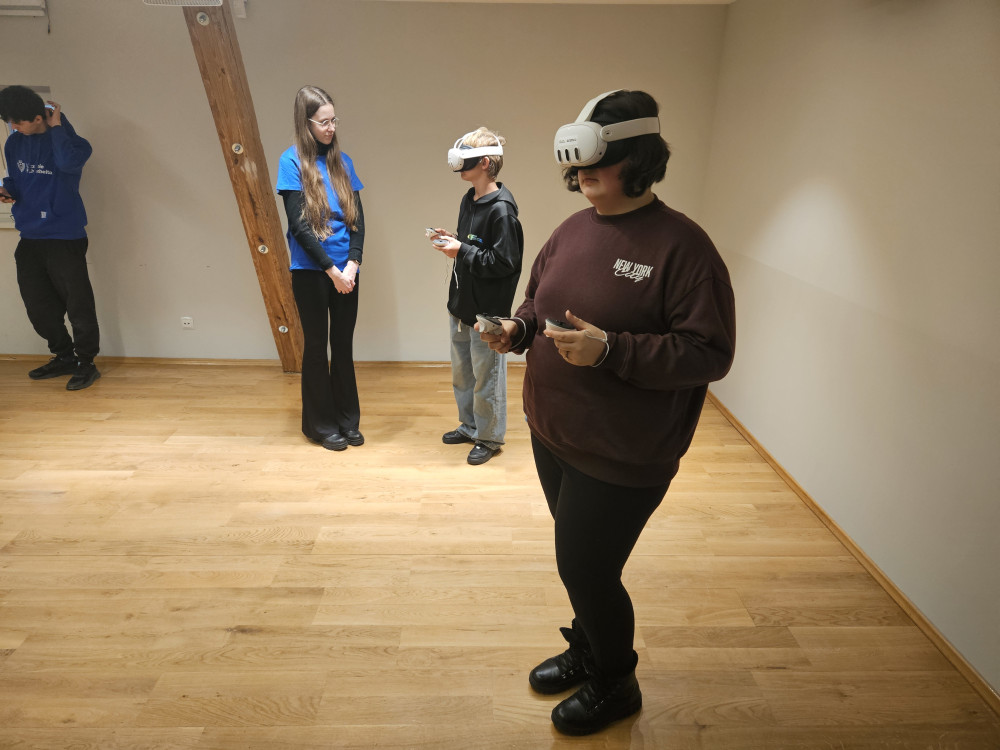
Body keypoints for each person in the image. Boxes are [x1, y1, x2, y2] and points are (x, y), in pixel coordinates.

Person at [481, 90, 736, 735]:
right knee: (582, 563)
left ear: (639, 158)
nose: (585, 172)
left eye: (601, 158)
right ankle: (590, 647)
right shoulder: (572, 230)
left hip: (623, 452)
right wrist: (517, 329)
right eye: (581, 161)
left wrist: (612, 350)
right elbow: (538, 301)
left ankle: (617, 682)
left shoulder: (683, 248)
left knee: (587, 567)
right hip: (553, 432)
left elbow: (709, 352)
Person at [276, 85, 365, 451]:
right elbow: (299, 225)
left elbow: (358, 219)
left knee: (342, 345)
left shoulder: (344, 163)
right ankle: (321, 426)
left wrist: (353, 264)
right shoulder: (290, 162)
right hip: (312, 271)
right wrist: (332, 270)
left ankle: (347, 420)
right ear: (306, 123)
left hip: (347, 271)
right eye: (323, 122)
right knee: (316, 346)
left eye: (333, 120)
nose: (331, 128)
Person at [429, 127, 523, 465]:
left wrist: (462, 250)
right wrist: (452, 241)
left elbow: (505, 263)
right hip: (461, 305)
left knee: (488, 378)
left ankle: (489, 437)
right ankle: (470, 426)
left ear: (485, 163)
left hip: (488, 311)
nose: (458, 165)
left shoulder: (502, 211)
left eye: (466, 159)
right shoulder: (469, 200)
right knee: (463, 375)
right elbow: (472, 245)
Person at [0, 85, 101, 391]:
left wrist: (57, 128)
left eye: (18, 122)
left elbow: (69, 165)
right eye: (9, 122)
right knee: (38, 306)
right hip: (30, 236)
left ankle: (86, 363)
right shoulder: (14, 143)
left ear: (39, 117)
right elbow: (17, 180)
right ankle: (64, 356)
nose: (13, 127)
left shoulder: (73, 144)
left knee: (78, 305)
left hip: (64, 236)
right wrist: (7, 191)